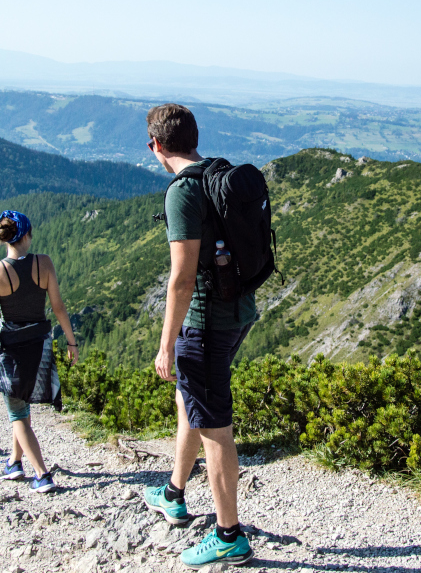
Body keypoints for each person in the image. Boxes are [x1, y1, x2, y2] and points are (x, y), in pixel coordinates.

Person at [142, 104, 258, 569]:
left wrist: (167, 343)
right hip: (239, 311)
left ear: (156, 146)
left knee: (215, 426)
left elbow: (181, 280)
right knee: (191, 399)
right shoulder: (219, 172)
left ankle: (229, 534)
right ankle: (174, 492)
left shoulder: (183, 192)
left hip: (207, 321)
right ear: (193, 138)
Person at [0, 210, 78, 493]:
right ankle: (15, 462)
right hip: (39, 343)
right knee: (21, 403)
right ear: (26, 235)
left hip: (11, 347)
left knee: (16, 411)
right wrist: (71, 342)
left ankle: (42, 474)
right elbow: (58, 307)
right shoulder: (44, 263)